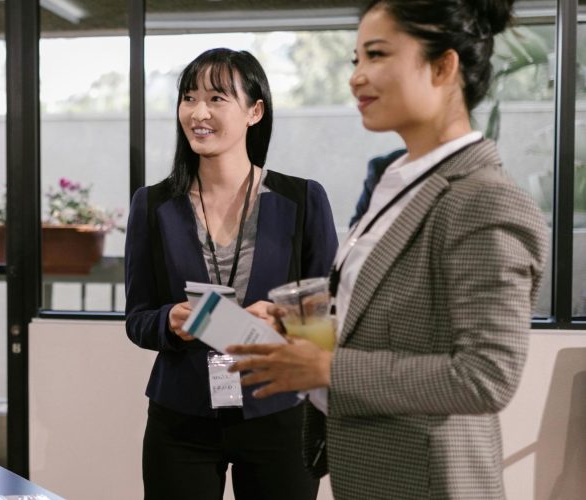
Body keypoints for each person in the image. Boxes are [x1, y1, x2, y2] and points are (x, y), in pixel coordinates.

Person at [228, 1, 547, 499]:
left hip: (432, 481)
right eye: (355, 59)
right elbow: (393, 317)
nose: (357, 77)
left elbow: (486, 376)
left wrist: (327, 369)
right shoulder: (397, 182)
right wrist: (303, 328)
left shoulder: (484, 198)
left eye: (376, 55)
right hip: (373, 473)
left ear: (443, 66)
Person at [124, 48, 338, 500]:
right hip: (181, 418)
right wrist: (170, 321)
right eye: (188, 97)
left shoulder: (303, 200)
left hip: (279, 412)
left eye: (217, 98)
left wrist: (283, 317)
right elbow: (137, 317)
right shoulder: (152, 204)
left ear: (254, 111)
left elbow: (329, 317)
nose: (198, 112)